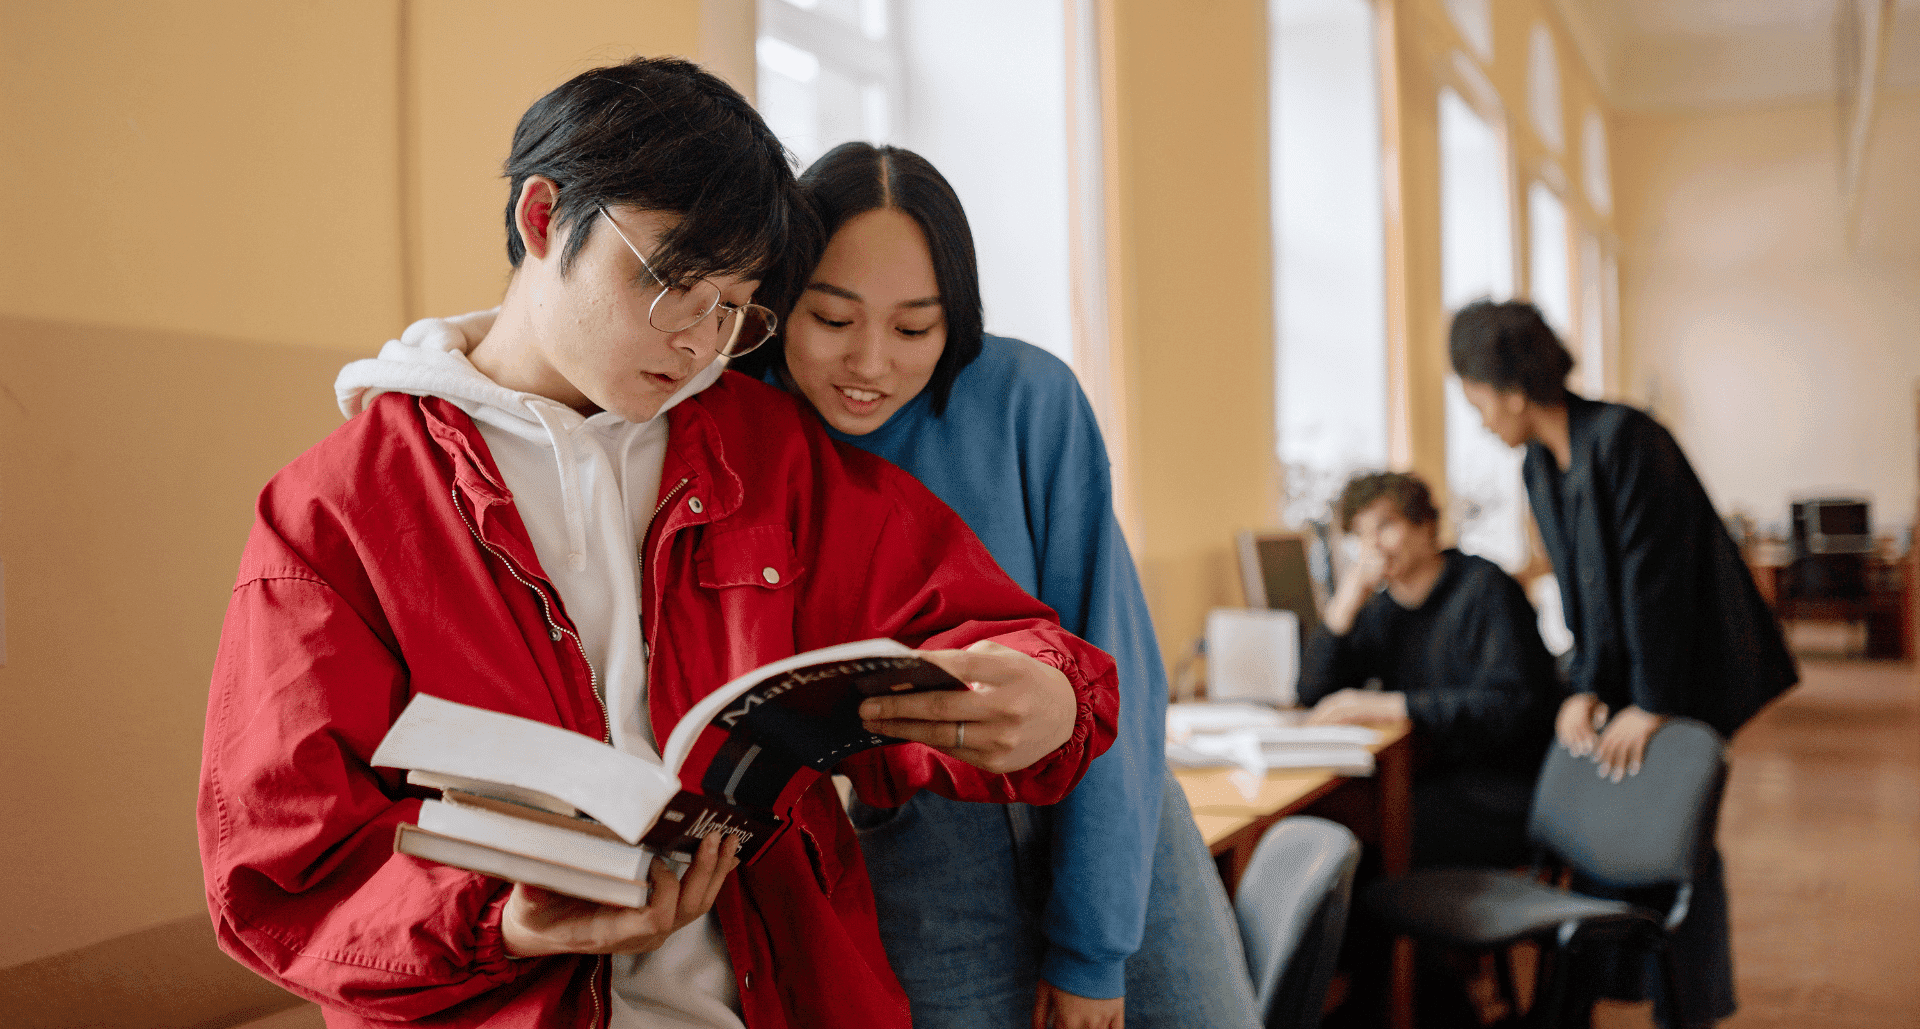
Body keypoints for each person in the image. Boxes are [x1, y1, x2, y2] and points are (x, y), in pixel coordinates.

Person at [196, 58, 1120, 1029]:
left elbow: (976, 618)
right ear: (544, 218)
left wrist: (1047, 687)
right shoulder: (337, 511)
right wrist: (504, 922)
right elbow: (283, 875)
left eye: (734, 307)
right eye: (672, 280)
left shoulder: (761, 453)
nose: (697, 340)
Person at [737, 141, 1259, 1029]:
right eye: (831, 318)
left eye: (913, 329)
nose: (871, 363)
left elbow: (1115, 660)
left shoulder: (1026, 399)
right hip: (913, 849)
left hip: (1110, 824)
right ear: (781, 297)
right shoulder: (746, 431)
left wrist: (1093, 946)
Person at [1449, 298, 1797, 1028]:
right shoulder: (1541, 466)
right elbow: (1588, 597)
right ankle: (1611, 990)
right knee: (1620, 824)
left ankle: (1688, 1007)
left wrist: (1652, 700)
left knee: (1676, 837)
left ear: (1511, 391)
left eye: (1476, 399)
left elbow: (1655, 582)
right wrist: (1584, 689)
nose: (1479, 418)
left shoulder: (1628, 439)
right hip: (1638, 672)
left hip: (1691, 669)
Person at [1300, 471, 1560, 869]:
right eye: (1360, 534)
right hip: (1426, 782)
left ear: (1425, 525)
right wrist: (1344, 605)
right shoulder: (1382, 611)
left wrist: (1395, 707)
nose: (1373, 546)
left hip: (1500, 791)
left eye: (1385, 526)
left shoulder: (1486, 589)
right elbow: (1313, 694)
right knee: (1323, 827)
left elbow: (1512, 707)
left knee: (1355, 842)